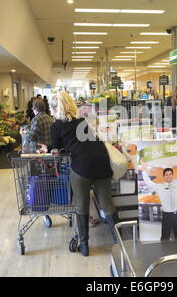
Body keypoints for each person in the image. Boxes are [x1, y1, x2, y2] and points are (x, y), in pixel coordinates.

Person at [47, 92, 118, 257]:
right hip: (102, 161)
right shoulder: (82, 121)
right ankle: (119, 243)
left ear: (56, 108)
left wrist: (50, 150)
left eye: (51, 107)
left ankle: (85, 246)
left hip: (82, 166)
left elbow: (56, 151)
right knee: (107, 204)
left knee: (81, 204)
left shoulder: (56, 126)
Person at [140, 155, 177, 241]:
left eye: (170, 174)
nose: (168, 176)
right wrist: (143, 169)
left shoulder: (176, 183)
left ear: (172, 175)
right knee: (165, 238)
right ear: (164, 176)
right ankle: (165, 253)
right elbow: (148, 182)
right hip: (167, 216)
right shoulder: (159, 186)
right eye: (166, 175)